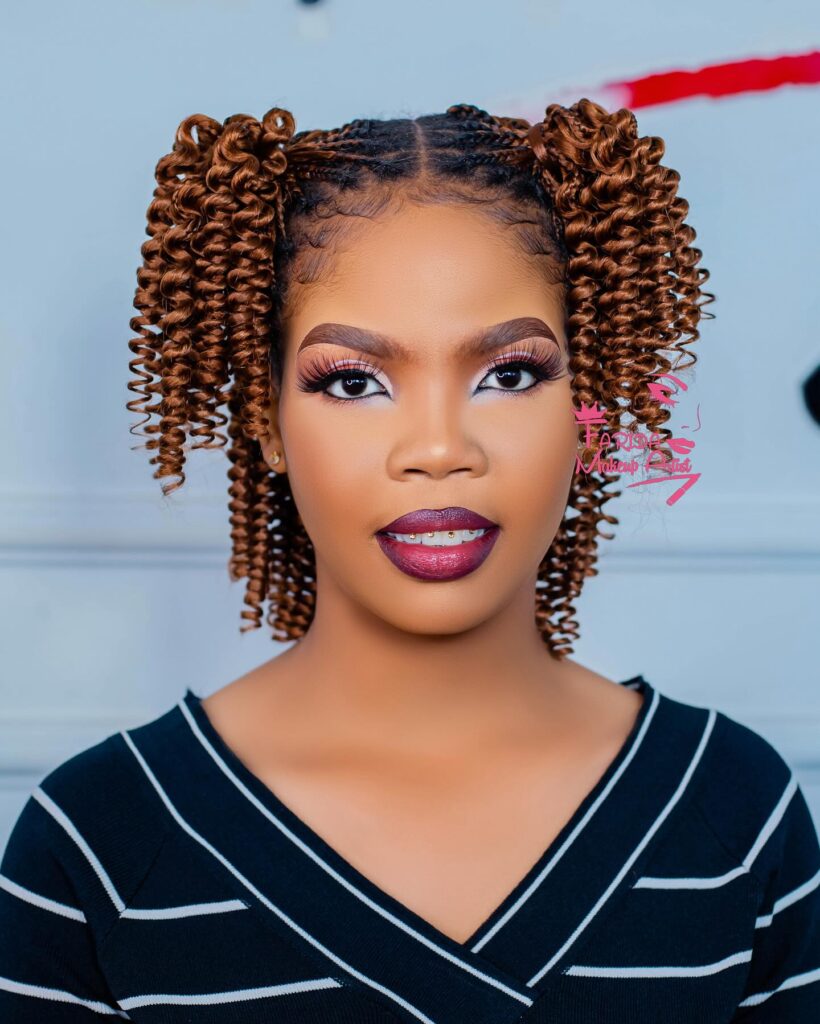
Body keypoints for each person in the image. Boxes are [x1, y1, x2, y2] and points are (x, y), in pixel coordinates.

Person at [1, 99, 818, 1022]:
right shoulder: (99, 844)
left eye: (508, 374)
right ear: (267, 421)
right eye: (354, 382)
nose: (437, 447)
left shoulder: (734, 812)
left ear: (587, 405)